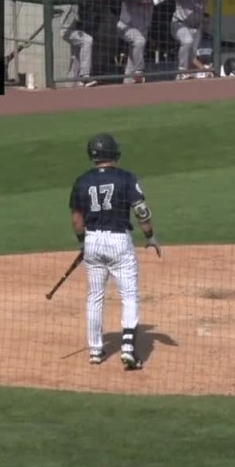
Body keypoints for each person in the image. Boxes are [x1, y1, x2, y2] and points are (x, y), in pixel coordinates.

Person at [69, 134, 163, 370]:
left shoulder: (81, 181)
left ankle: (95, 351)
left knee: (94, 297)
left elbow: (77, 219)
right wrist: (150, 236)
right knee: (129, 294)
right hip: (119, 241)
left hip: (93, 240)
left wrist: (83, 243)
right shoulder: (126, 178)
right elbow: (141, 210)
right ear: (114, 154)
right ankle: (129, 348)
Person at [118, 0, 172, 84]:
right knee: (139, 42)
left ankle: (128, 82)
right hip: (126, 26)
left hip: (143, 29)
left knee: (134, 55)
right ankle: (139, 72)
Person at [172, 0, 218, 80]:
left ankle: (190, 75)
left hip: (196, 25)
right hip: (180, 22)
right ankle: (182, 72)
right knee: (187, 41)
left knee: (192, 53)